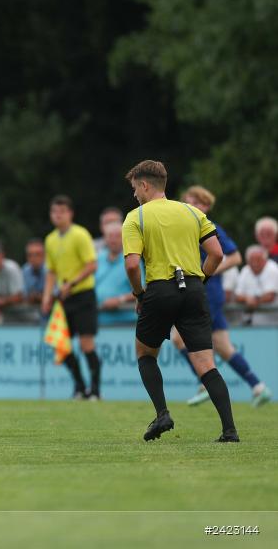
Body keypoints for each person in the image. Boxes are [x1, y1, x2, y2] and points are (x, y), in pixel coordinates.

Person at [121, 160, 238, 442]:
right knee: (206, 363)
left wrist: (139, 294)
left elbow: (133, 265)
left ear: (145, 185)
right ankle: (229, 430)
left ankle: (162, 413)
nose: (135, 194)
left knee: (145, 354)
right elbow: (217, 254)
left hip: (160, 290)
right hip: (194, 289)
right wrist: (202, 280)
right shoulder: (193, 212)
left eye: (135, 188)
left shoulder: (136, 217)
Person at [173, 186, 271, 408]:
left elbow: (235, 257)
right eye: (187, 202)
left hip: (208, 293)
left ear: (205, 206)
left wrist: (205, 271)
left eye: (196, 203)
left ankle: (204, 384)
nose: (191, 206)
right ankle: (258, 386)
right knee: (224, 346)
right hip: (204, 292)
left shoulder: (211, 227)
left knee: (178, 337)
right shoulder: (188, 228)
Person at [41, 195, 102, 399]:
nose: (57, 215)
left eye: (62, 212)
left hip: (83, 295)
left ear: (70, 214)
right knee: (62, 345)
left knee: (87, 345)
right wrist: (46, 297)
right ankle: (79, 387)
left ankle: (95, 390)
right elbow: (51, 272)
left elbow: (92, 265)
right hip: (64, 299)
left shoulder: (80, 235)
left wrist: (71, 283)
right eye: (54, 212)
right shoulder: (50, 239)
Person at [96, 223, 138, 325]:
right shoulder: (98, 258)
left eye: (117, 236)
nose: (113, 240)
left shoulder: (132, 260)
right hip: (99, 321)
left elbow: (142, 290)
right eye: (110, 236)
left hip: (125, 322)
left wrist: (120, 299)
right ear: (105, 238)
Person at [235, 245, 278, 326]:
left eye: (258, 260)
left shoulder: (273, 268)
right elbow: (237, 296)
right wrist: (247, 299)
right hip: (248, 323)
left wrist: (253, 301)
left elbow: (270, 296)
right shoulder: (245, 270)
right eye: (252, 260)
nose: (255, 263)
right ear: (247, 261)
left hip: (272, 323)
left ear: (265, 260)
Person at [21, 238, 46, 306]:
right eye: (30, 255)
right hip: (29, 311)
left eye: (38, 254)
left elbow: (55, 296)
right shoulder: (24, 270)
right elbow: (23, 296)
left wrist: (36, 297)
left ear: (44, 255)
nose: (33, 258)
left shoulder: (51, 270)